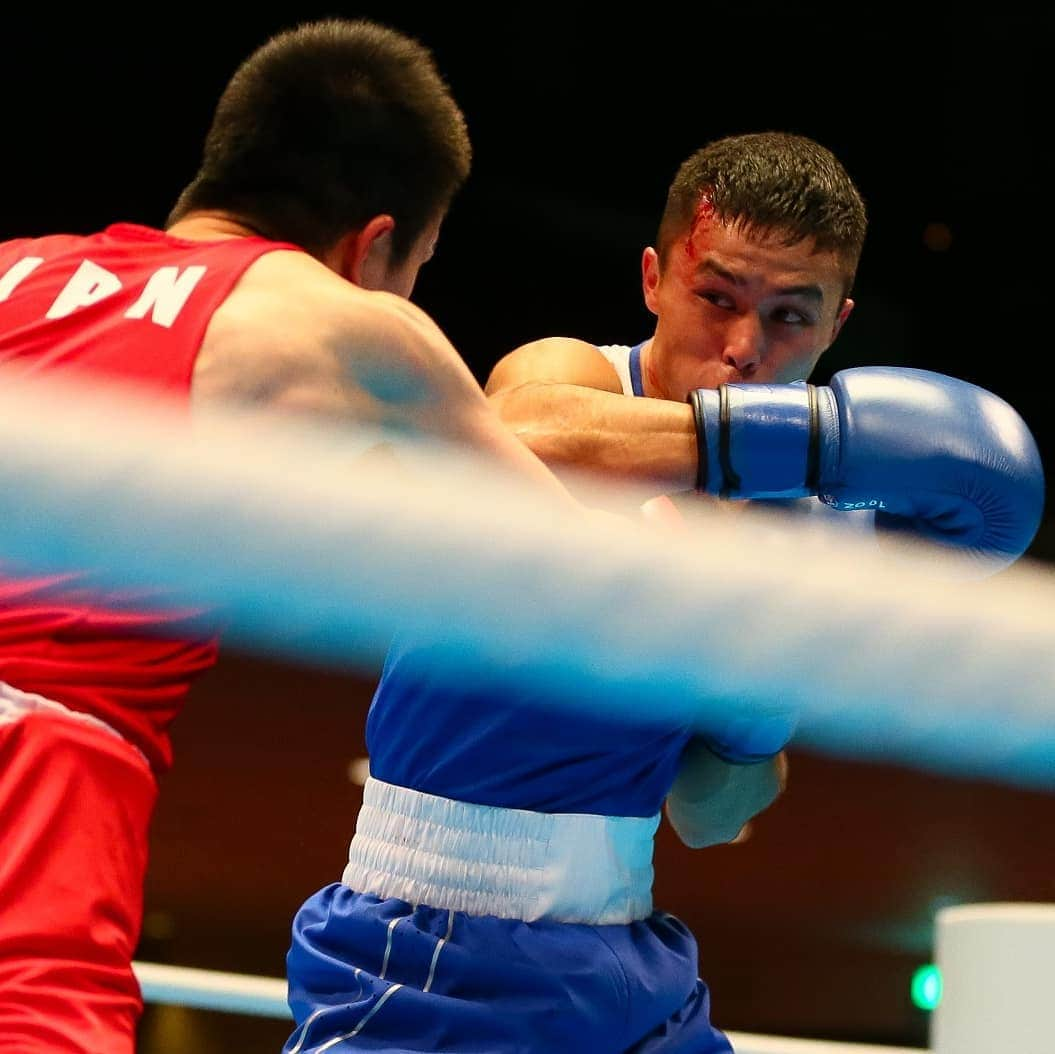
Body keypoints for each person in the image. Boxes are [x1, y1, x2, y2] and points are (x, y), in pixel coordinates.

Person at [285, 132, 1044, 1053]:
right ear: (654, 278)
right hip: (430, 939)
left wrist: (761, 692)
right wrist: (804, 442)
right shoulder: (575, 377)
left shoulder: (801, 528)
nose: (742, 348)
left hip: (628, 955)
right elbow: (520, 428)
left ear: (838, 324)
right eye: (715, 297)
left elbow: (710, 814)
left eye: (788, 320)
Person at [0, 18, 577, 1054]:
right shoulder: (340, 323)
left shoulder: (9, 268)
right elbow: (588, 585)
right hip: (34, 790)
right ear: (376, 244)